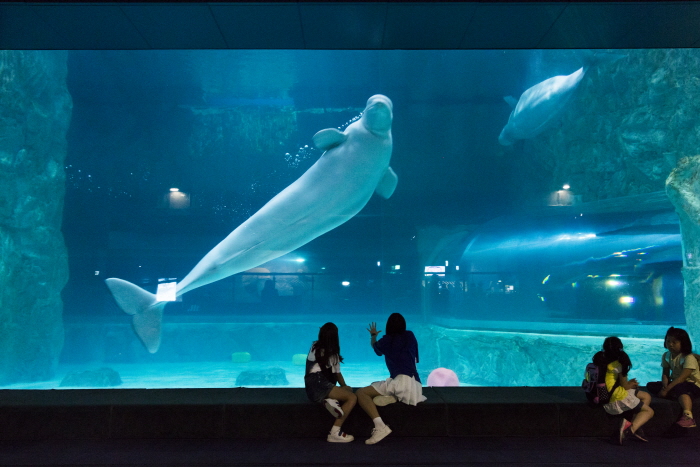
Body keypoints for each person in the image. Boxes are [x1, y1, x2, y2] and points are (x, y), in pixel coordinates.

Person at [356, 313, 426, 445]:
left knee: (362, 393)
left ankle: (380, 426)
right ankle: (394, 397)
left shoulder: (387, 340)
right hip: (416, 386)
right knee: (378, 385)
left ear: (388, 326)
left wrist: (373, 335)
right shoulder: (410, 336)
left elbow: (376, 348)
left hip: (401, 382)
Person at [304, 322, 357, 443]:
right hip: (321, 384)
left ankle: (329, 400)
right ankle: (335, 432)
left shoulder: (314, 346)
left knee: (341, 392)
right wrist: (345, 387)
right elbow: (337, 374)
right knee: (351, 397)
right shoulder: (332, 353)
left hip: (310, 388)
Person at [600, 336, 654, 445]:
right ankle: (629, 430)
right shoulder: (618, 364)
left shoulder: (600, 360)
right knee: (649, 411)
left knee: (646, 396)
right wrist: (632, 384)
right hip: (615, 397)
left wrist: (630, 384)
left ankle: (636, 424)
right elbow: (625, 386)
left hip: (603, 394)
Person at [647, 326, 700, 428]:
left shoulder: (688, 357)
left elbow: (682, 378)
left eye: (674, 342)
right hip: (676, 384)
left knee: (680, 387)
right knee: (651, 386)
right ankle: (678, 395)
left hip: (693, 385)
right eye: (668, 341)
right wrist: (664, 386)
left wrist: (666, 390)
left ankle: (688, 416)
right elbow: (665, 373)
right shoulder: (666, 355)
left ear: (683, 343)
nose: (670, 344)